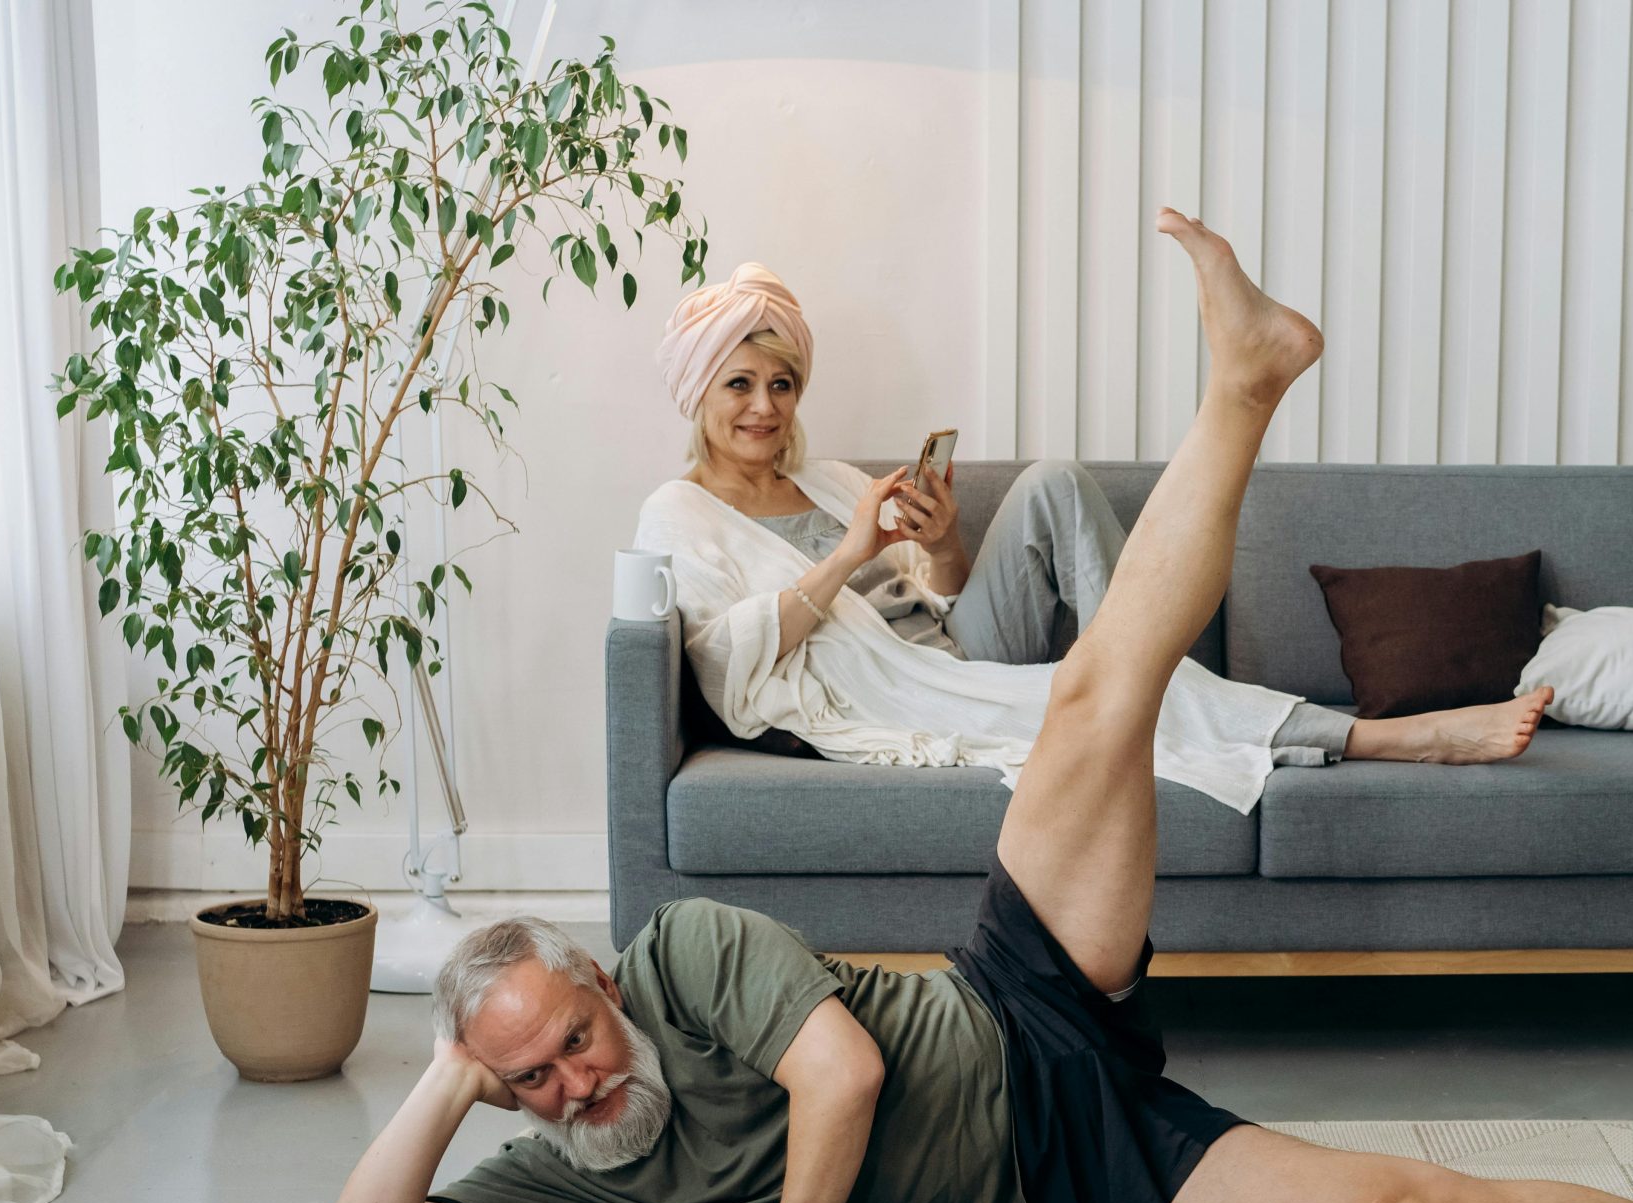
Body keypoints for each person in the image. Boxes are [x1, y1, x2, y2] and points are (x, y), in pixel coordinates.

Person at [314, 211, 1633, 1203]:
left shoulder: (684, 955)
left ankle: (1246, 377)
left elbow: (848, 1075)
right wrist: (460, 1071)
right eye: (537, 1080)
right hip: (1085, 1176)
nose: (578, 1079)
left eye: (573, 1038)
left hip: (1016, 1008)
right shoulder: (574, 1169)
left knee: (1099, 702)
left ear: (601, 981)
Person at [633, 262, 1557, 815]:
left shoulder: (831, 480)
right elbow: (725, 666)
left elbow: (941, 601)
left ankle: (1144, 665)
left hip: (951, 650)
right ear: (698, 395)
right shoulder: (679, 512)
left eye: (781, 384)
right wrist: (850, 555)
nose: (764, 407)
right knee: (1122, 685)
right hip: (902, 692)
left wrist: (946, 543)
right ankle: (1399, 738)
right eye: (740, 384)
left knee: (1056, 481)